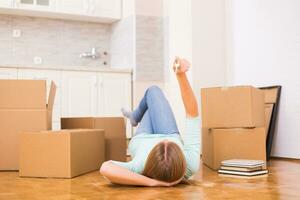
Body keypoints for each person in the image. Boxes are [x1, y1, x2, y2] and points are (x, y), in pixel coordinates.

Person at [100, 57, 200, 187]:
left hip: (143, 137)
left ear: (149, 160)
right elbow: (192, 113)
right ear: (181, 159)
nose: (163, 139)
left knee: (152, 92)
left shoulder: (139, 165)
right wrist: (181, 76)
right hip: (169, 131)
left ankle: (135, 117)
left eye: (159, 145)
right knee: (153, 92)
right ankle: (135, 116)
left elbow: (105, 168)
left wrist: (152, 182)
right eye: (171, 143)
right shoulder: (190, 164)